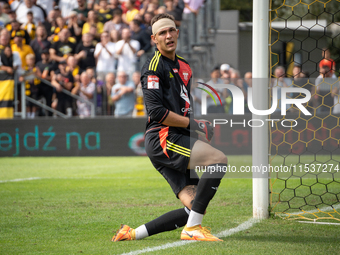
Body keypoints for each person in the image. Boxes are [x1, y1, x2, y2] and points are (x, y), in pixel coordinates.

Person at [112, 13, 227, 242]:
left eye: (171, 30)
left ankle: (133, 233)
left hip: (176, 136)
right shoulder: (153, 67)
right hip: (162, 138)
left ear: (177, 32)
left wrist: (195, 129)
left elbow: (182, 106)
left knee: (194, 207)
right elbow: (156, 112)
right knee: (218, 160)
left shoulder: (184, 66)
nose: (168, 35)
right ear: (155, 39)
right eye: (162, 33)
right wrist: (195, 125)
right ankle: (193, 230)